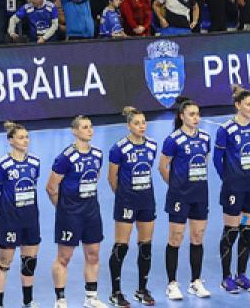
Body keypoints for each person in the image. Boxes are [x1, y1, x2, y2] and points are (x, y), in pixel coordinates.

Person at [46, 115, 109, 308]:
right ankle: (60, 300)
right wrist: (63, 209)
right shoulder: (65, 158)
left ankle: (91, 297)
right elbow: (51, 188)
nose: (90, 130)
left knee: (93, 254)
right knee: (64, 257)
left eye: (91, 126)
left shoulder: (97, 154)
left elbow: (95, 178)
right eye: (84, 127)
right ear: (74, 131)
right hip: (70, 215)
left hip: (91, 213)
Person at [159, 97, 212, 301]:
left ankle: (195, 282)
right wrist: (175, 186)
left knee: (197, 237)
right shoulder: (173, 140)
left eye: (198, 114)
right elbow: (163, 167)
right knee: (176, 238)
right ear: (182, 116)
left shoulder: (205, 138)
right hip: (179, 196)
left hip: (200, 194)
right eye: (191, 114)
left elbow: (204, 161)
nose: (196, 118)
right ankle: (171, 284)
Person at [105, 107, 158, 308]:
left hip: (147, 200)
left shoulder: (152, 145)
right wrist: (124, 197)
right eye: (137, 123)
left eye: (144, 122)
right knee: (122, 245)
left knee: (146, 245)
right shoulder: (118, 148)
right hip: (126, 201)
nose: (141, 126)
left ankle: (142, 289)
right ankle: (116, 292)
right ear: (129, 126)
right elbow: (112, 178)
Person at [213, 87, 250, 294]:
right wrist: (228, 180)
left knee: (247, 231)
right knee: (231, 231)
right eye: (248, 104)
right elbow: (217, 159)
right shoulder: (225, 129)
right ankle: (226, 277)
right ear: (237, 105)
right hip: (234, 188)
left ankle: (241, 275)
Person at [0, 121, 42, 308]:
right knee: (4, 262)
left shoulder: (35, 162)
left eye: (27, 137)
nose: (25, 140)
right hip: (10, 221)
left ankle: (28, 301)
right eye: (21, 137)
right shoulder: (1, 165)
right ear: (11, 141)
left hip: (31, 219)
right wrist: (7, 212)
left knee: (29, 262)